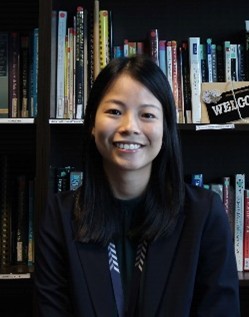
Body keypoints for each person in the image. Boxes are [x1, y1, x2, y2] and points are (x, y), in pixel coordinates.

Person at [34, 55, 240, 317]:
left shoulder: (204, 215)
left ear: (165, 129)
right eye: (114, 112)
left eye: (147, 114)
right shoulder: (60, 217)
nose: (129, 127)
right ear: (92, 126)